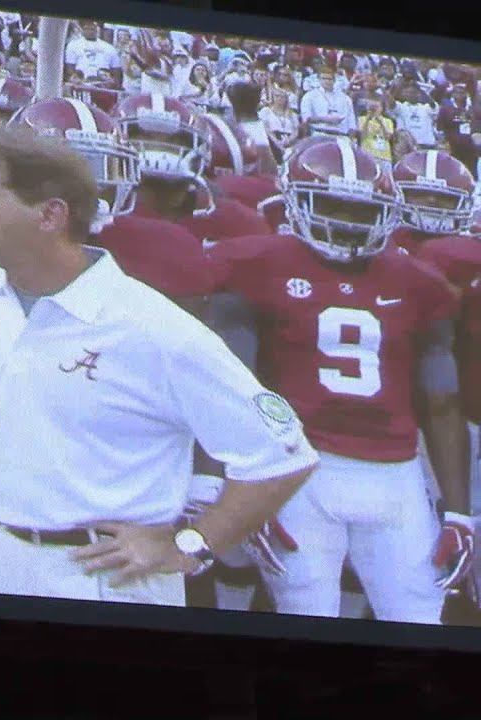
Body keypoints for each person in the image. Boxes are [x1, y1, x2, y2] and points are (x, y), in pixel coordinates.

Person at [0, 122, 319, 605]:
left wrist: (191, 545)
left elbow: (283, 454)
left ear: (49, 214)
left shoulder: (153, 327)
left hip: (102, 576)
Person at [205, 137, 472, 623]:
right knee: (367, 614)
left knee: (389, 616)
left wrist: (458, 513)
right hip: (316, 468)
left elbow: (443, 402)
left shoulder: (420, 283)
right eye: (332, 205)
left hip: (372, 474)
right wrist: (243, 483)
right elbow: (235, 386)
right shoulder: (255, 263)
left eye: (361, 209)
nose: (347, 221)